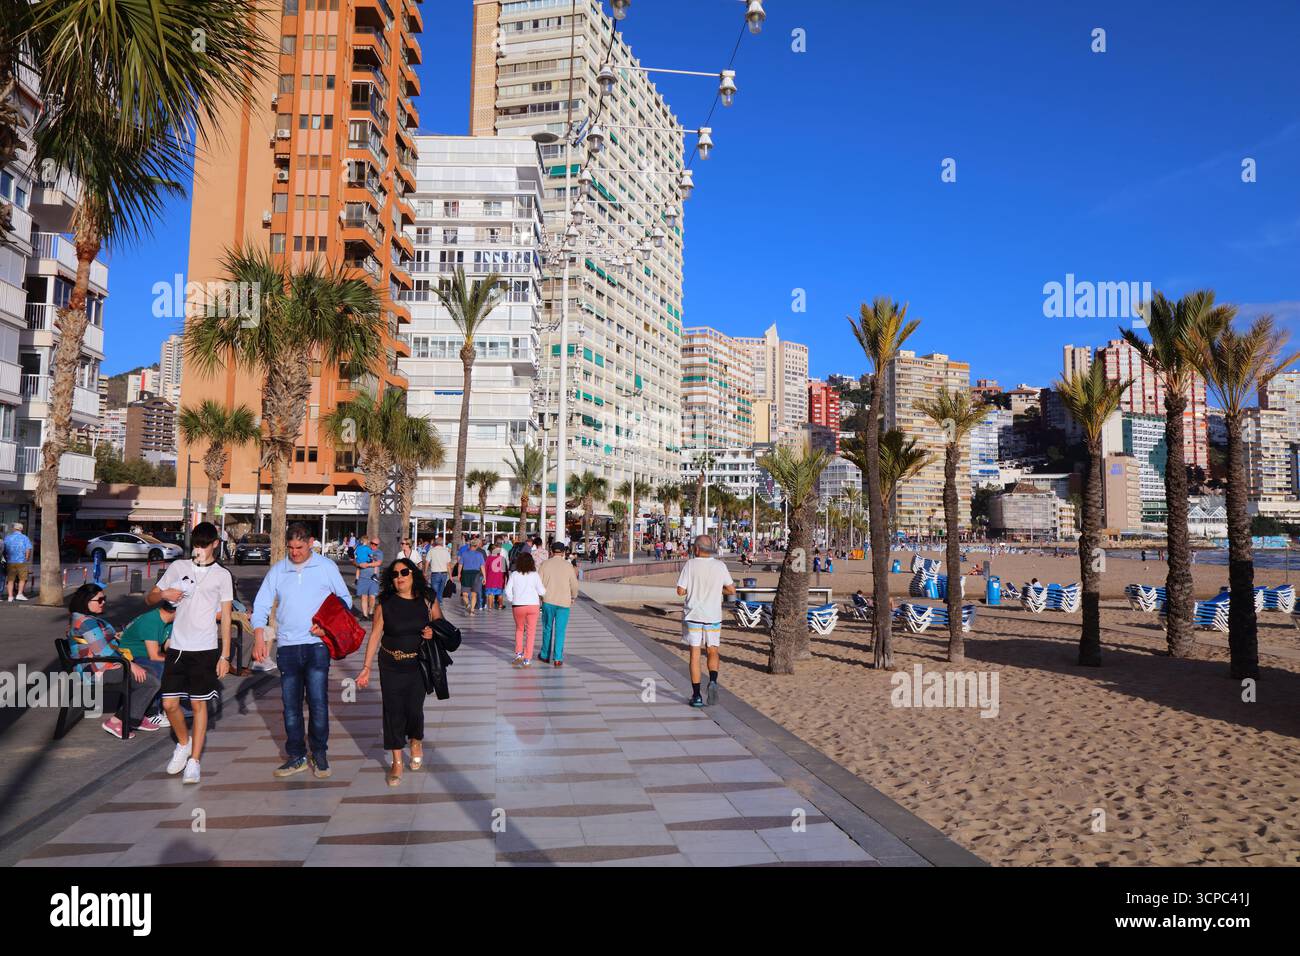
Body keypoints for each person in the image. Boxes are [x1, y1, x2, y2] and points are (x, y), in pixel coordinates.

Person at [252, 523, 352, 780]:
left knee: (318, 703)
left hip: (317, 646)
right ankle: (296, 756)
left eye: (299, 547)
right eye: (291, 548)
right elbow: (261, 604)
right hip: (287, 647)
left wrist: (327, 627)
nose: (294, 552)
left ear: (311, 543)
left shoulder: (326, 567)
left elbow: (344, 600)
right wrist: (259, 637)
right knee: (291, 706)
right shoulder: (278, 570)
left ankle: (319, 755)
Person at [147, 522, 233, 785]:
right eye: (196, 544)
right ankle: (183, 743)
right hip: (177, 647)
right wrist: (163, 593)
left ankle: (194, 761)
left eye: (204, 545)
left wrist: (225, 656)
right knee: (169, 704)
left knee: (198, 704)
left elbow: (227, 618)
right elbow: (149, 599)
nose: (199, 549)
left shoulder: (222, 575)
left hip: (205, 648)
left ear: (215, 544)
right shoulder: (178, 567)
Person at [357, 557, 444, 786]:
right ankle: (396, 760)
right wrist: (366, 668)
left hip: (418, 664)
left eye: (404, 572)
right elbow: (375, 634)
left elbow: (440, 623)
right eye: (395, 575)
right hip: (390, 664)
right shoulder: (385, 603)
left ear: (413, 574)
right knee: (393, 711)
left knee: (414, 710)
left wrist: (432, 632)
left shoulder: (427, 598)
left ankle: (416, 740)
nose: (400, 578)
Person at [66, 584, 163, 739]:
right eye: (100, 600)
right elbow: (103, 651)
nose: (103, 602)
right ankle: (118, 720)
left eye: (104, 599)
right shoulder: (86, 622)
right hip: (95, 672)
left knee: (150, 672)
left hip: (100, 666)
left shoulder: (85, 619)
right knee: (151, 681)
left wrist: (114, 636)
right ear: (86, 601)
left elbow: (99, 643)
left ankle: (135, 716)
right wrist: (131, 664)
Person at [675, 534, 735, 708]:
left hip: (693, 615)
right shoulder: (720, 566)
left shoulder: (690, 564)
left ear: (697, 548)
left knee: (695, 654)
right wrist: (717, 590)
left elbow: (680, 591)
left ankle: (696, 696)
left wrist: (693, 589)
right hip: (713, 616)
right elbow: (731, 590)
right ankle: (714, 681)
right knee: (713, 651)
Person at [116, 601, 177, 729]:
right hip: (131, 658)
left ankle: (171, 707)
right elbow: (154, 655)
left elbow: (168, 647)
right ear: (176, 610)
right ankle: (150, 712)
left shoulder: (170, 622)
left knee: (178, 666)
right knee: (159, 668)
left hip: (145, 656)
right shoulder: (151, 620)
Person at [538, 540, 581, 667]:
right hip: (564, 602)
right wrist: (573, 597)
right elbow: (574, 584)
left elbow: (538, 583)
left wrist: (541, 596)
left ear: (551, 551)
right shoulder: (568, 566)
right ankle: (558, 658)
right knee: (560, 630)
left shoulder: (545, 564)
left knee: (547, 628)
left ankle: (545, 655)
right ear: (563, 553)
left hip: (548, 601)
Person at [503, 551, 545, 667]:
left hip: (518, 606)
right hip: (533, 606)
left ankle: (519, 654)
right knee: (531, 632)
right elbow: (542, 591)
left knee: (519, 629)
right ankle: (527, 659)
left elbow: (507, 590)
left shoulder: (514, 574)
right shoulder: (534, 575)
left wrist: (512, 599)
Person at [354, 536, 383, 619]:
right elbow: (355, 560)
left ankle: (370, 612)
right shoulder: (363, 549)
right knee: (364, 597)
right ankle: (365, 615)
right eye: (372, 543)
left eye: (375, 544)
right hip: (363, 577)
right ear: (370, 543)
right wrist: (358, 564)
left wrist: (367, 564)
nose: (373, 545)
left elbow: (378, 563)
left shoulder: (379, 553)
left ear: (378, 545)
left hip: (373, 578)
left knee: (372, 597)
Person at [4, 521, 33, 601]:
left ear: (14, 529)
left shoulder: (8, 537)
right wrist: (26, 558)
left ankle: (10, 597)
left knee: (10, 579)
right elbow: (28, 549)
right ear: (22, 529)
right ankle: (19, 594)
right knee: (22, 579)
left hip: (10, 561)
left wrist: (6, 558)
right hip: (21, 561)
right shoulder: (25, 537)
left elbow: (4, 549)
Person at [458, 537, 486, 613]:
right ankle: (472, 610)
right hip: (476, 574)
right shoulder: (479, 554)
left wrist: (459, 574)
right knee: (474, 594)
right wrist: (484, 577)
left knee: (464, 594)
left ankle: (467, 604)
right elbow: (482, 566)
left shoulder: (464, 554)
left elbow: (460, 565)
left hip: (466, 574)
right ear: (477, 545)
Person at [427, 535, 452, 600]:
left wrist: (425, 572)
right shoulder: (446, 551)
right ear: (442, 543)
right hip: (444, 574)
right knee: (441, 591)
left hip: (435, 573)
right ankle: (439, 603)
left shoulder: (431, 551)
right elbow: (448, 565)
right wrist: (450, 576)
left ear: (435, 543)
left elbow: (427, 562)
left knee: (434, 592)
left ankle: (435, 604)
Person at [483, 544, 507, 610]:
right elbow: (504, 571)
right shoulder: (502, 558)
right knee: (500, 593)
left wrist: (484, 577)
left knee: (490, 593)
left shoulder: (488, 558)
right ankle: (500, 605)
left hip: (490, 578)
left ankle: (490, 607)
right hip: (499, 579)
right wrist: (505, 579)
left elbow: (485, 569)